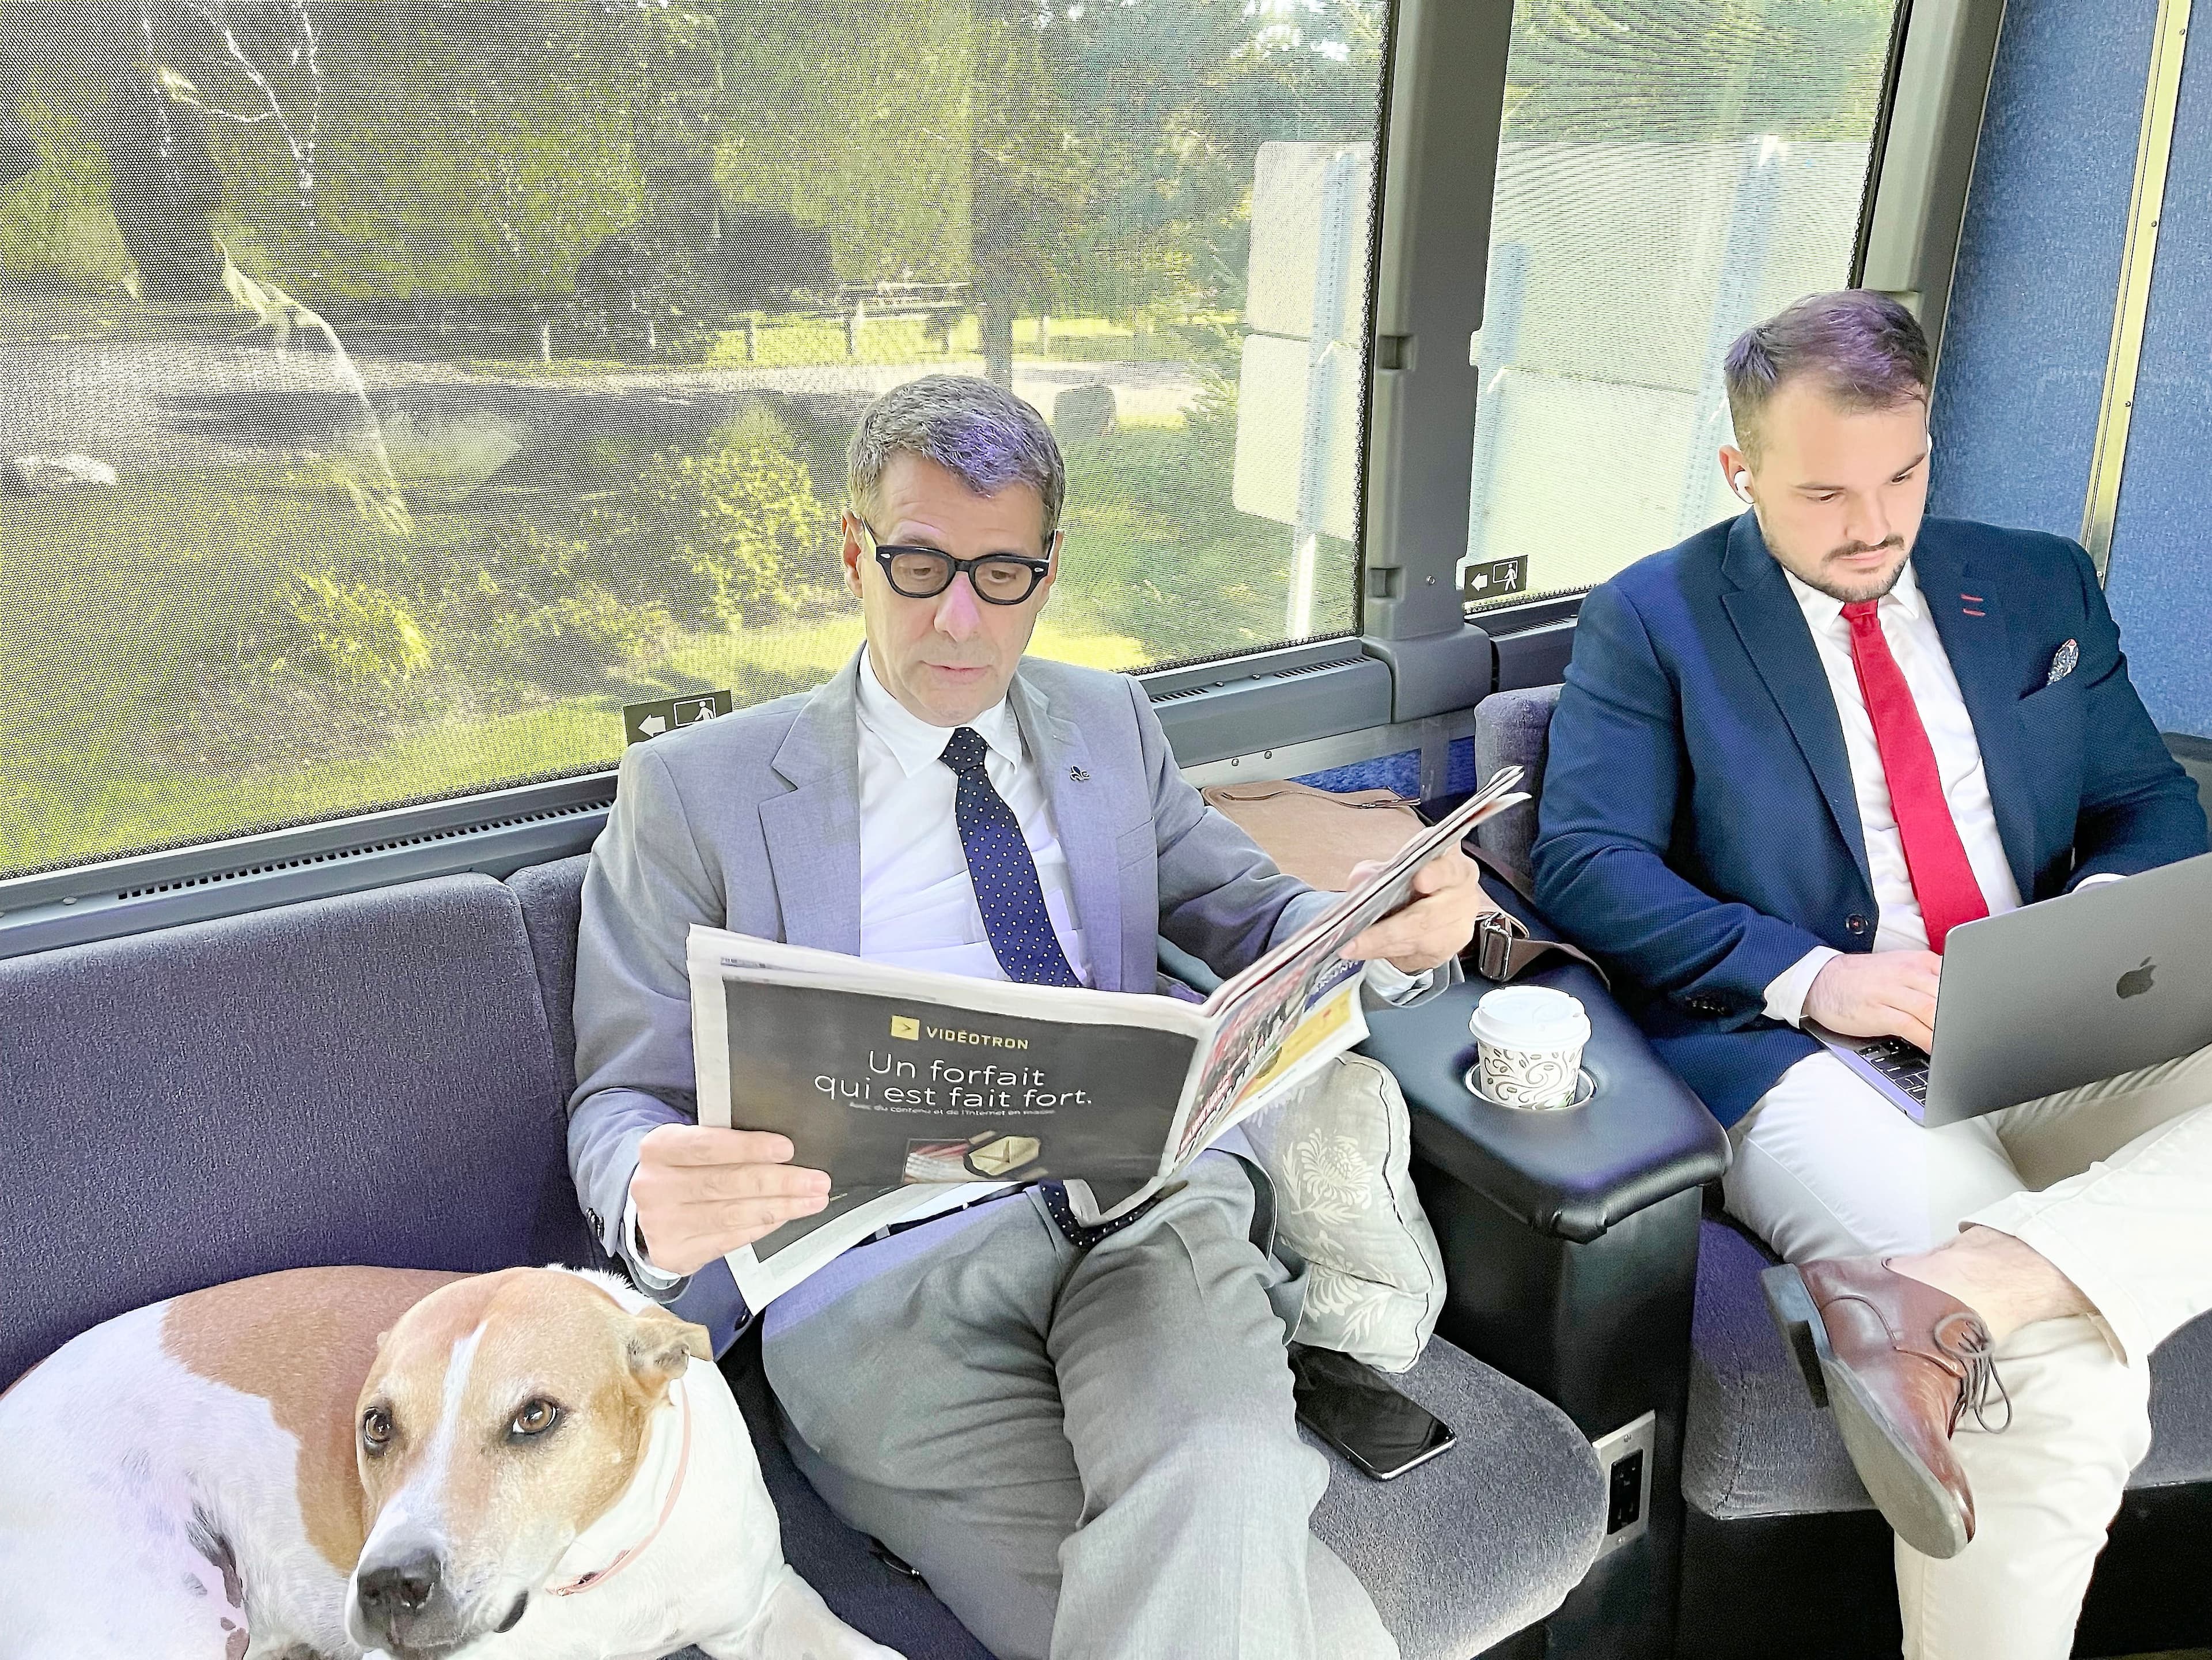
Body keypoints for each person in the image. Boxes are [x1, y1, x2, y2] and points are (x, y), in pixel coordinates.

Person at [568, 375, 1497, 1660]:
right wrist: (647, 1193)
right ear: (855, 554)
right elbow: (619, 1099)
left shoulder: (1108, 724)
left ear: (1048, 572)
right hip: (881, 1293)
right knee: (1321, 1630)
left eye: (1001, 573)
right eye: (919, 564)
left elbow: (1251, 915)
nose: (958, 616)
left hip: (1143, 1213)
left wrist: (1380, 931)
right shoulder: (697, 792)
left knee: (1225, 1454)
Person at [1532, 290, 2211, 1660]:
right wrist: (1809, 977)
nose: (1875, 523)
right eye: (1825, 492)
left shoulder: (2033, 581)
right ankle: (1993, 1305)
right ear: (1742, 474)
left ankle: (1960, 1286)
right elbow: (1589, 865)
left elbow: (2154, 805)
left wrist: (2095, 921)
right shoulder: (1654, 617)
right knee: (2065, 1388)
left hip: (2052, 1015)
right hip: (1813, 1060)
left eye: (1903, 473)